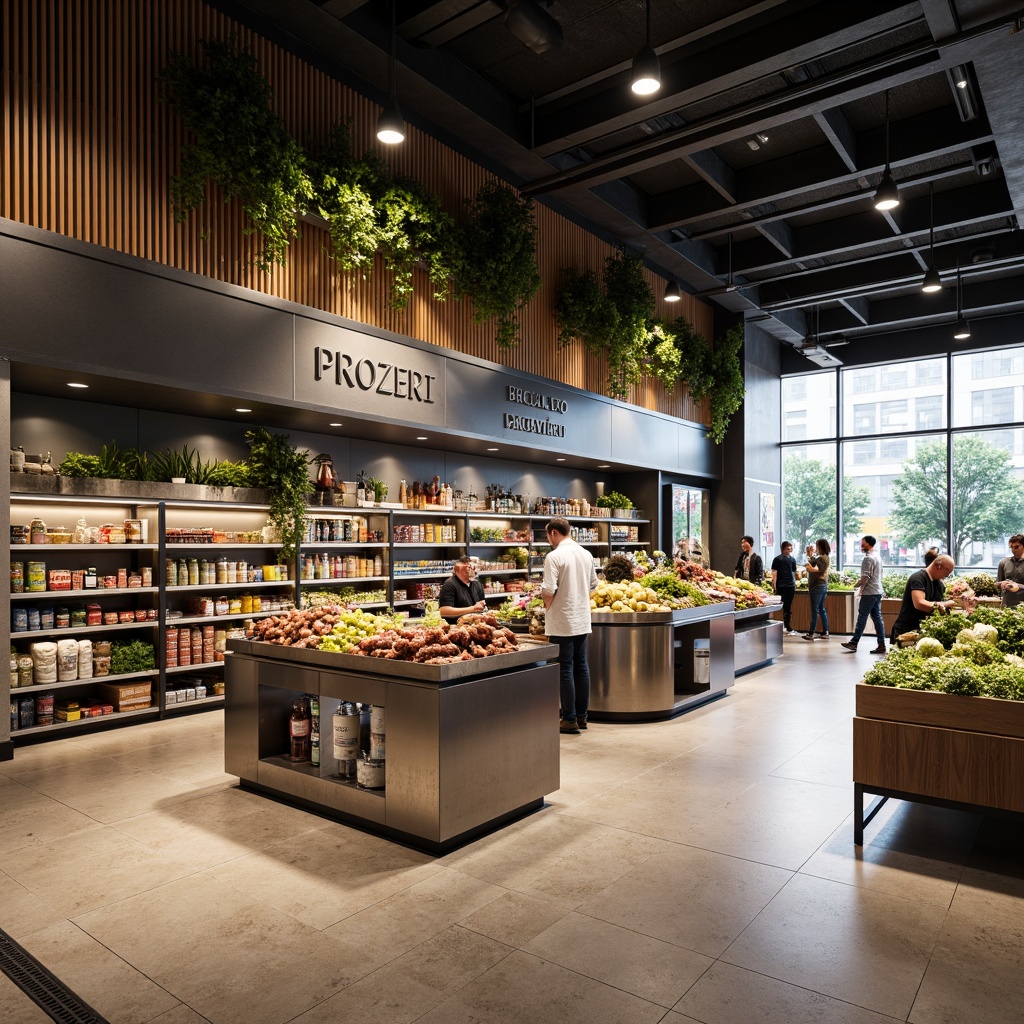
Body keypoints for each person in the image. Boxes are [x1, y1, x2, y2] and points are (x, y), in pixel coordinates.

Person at [542, 516, 599, 735]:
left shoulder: (554, 556)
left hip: (562, 620)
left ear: (554, 533)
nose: (548, 540)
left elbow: (548, 589)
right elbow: (594, 585)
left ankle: (568, 719)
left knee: (564, 667)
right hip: (582, 618)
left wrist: (547, 606)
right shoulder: (586, 554)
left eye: (548, 535)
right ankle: (582, 716)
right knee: (581, 666)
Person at [890, 553, 956, 642]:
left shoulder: (938, 583)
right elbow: (919, 603)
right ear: (939, 566)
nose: (946, 576)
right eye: (947, 573)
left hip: (922, 631)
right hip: (907, 631)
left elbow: (937, 606)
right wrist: (944, 604)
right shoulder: (918, 578)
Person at [841, 535, 887, 654]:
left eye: (863, 543)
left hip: (869, 592)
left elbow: (865, 577)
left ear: (868, 544)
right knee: (877, 619)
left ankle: (854, 643)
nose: (861, 546)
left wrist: (857, 587)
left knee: (862, 617)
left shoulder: (868, 558)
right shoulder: (877, 556)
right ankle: (881, 645)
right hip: (877, 591)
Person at [437, 555, 486, 624]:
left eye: (474, 567)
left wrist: (481, 606)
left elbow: (482, 603)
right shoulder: (449, 584)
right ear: (458, 569)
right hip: (455, 627)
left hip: (475, 625)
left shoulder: (477, 584)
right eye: (469, 567)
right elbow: (444, 611)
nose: (473, 570)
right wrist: (473, 608)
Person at [802, 538, 831, 641]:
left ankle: (811, 633)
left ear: (821, 547)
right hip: (821, 586)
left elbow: (816, 568)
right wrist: (810, 555)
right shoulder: (824, 558)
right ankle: (825, 632)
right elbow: (814, 561)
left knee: (815, 610)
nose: (816, 548)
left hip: (817, 586)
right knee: (821, 609)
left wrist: (809, 568)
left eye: (817, 546)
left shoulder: (823, 559)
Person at [771, 540, 799, 634]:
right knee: (785, 606)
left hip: (789, 585)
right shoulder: (778, 559)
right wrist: (774, 585)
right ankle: (785, 625)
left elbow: (794, 572)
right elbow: (774, 574)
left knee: (787, 606)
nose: (789, 550)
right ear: (783, 549)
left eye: (790, 548)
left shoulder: (792, 559)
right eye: (787, 548)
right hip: (783, 585)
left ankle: (787, 624)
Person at [997, 534, 1024, 608]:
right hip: (1007, 604)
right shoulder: (1004, 562)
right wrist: (1002, 584)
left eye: (1016, 547)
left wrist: (1018, 586)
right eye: (1011, 547)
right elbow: (997, 583)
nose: (1013, 550)